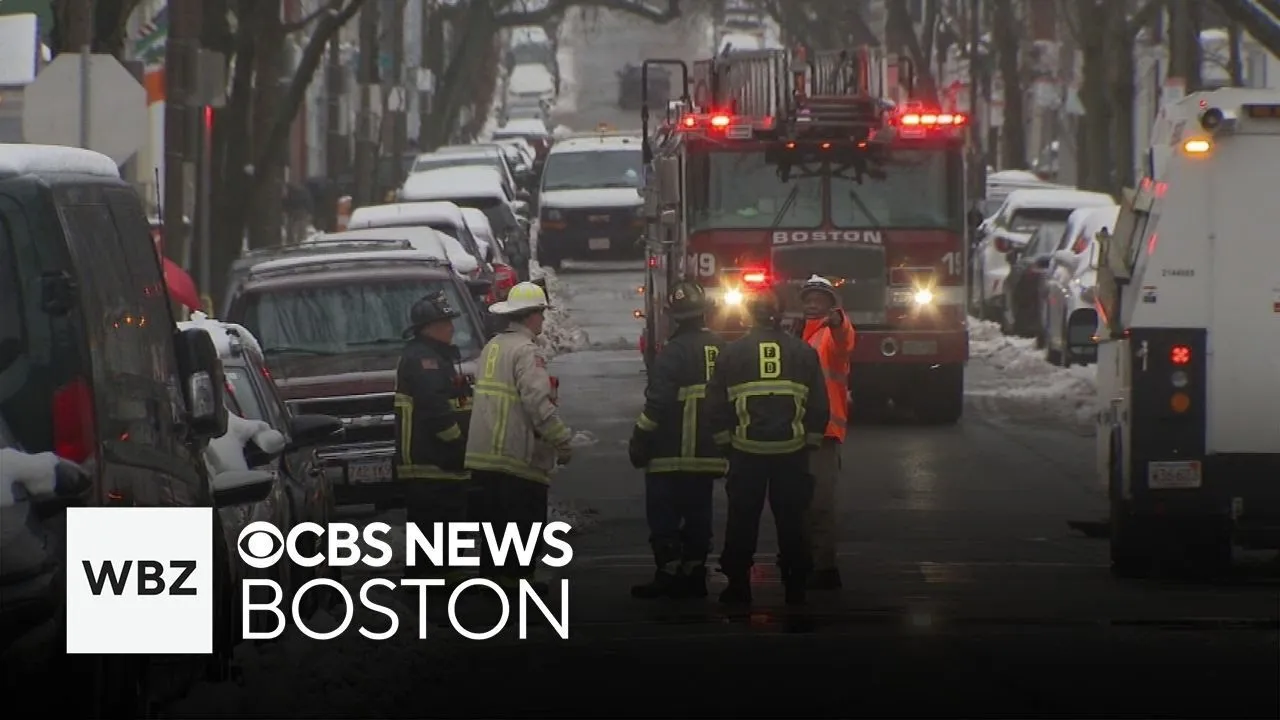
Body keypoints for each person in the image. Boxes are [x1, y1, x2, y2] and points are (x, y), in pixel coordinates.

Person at [705, 288, 828, 606]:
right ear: (781, 314)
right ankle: (796, 587)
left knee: (742, 519)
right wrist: (810, 441)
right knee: (793, 521)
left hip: (746, 452)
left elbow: (715, 403)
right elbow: (818, 403)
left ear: (748, 314)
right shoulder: (803, 352)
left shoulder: (732, 353)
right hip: (792, 453)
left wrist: (725, 443)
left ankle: (738, 586)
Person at [466, 282, 573, 592]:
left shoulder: (492, 346)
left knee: (494, 529)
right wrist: (562, 442)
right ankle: (518, 586)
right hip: (514, 458)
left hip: (484, 457)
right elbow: (538, 404)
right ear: (529, 315)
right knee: (523, 528)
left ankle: (493, 585)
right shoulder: (526, 351)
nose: (543, 320)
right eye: (541, 313)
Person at [628, 282, 727, 599]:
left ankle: (668, 574)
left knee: (664, 514)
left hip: (670, 452)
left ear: (674, 316)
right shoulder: (720, 347)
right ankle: (694, 573)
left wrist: (640, 436)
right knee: (699, 512)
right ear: (705, 312)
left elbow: (657, 402)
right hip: (708, 451)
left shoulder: (673, 352)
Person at [393, 292, 471, 584]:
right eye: (445, 322)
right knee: (438, 519)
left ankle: (435, 575)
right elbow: (435, 409)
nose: (451, 328)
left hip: (435, 458)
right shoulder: (425, 360)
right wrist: (458, 443)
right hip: (431, 458)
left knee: (438, 520)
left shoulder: (435, 356)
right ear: (428, 327)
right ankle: (436, 578)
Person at [796, 275, 855, 590]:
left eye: (819, 299)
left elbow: (845, 340)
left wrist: (838, 321)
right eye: (808, 299)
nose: (812, 304)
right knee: (798, 503)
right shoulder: (796, 334)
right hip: (794, 432)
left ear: (831, 305)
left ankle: (825, 568)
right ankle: (802, 560)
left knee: (820, 502)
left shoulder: (831, 335)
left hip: (824, 433)